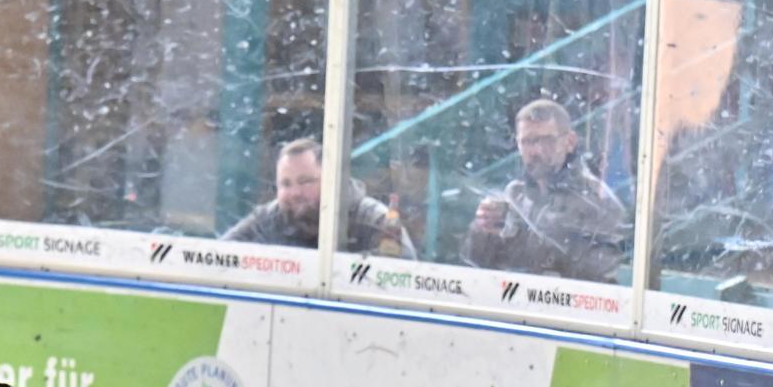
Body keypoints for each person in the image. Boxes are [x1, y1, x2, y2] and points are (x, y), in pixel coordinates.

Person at [462, 99, 631, 283]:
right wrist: (483, 228)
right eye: (527, 142)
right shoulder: (514, 194)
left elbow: (598, 276)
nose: (536, 150)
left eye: (547, 140)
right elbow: (474, 264)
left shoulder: (599, 201)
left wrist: (523, 236)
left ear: (570, 141)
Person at [222, 137, 415, 258]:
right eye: (285, 184)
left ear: (331, 180)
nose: (295, 193)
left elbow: (402, 270)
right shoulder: (268, 219)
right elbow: (218, 257)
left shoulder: (373, 218)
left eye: (305, 181)